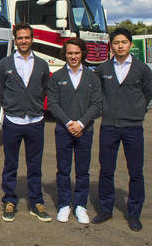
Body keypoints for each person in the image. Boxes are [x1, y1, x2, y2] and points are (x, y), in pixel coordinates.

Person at [93, 28, 152, 231]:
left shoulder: (142, 69)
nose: (120, 46)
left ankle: (134, 214)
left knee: (136, 172)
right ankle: (105, 210)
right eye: (116, 42)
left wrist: (136, 112)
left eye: (124, 42)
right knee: (106, 171)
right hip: (109, 126)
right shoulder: (103, 69)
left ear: (130, 44)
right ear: (111, 45)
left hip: (133, 127)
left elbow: (149, 96)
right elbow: (97, 95)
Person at [0, 22, 51, 223]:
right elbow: (0, 91)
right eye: (20, 38)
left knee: (35, 165)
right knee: (11, 164)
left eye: (27, 37)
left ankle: (36, 203)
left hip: (35, 122)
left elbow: (45, 89)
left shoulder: (43, 65)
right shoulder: (5, 64)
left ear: (32, 39)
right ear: (15, 40)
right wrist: (11, 107)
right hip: (13, 121)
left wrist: (34, 105)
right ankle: (9, 201)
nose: (24, 41)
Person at [47, 38, 102, 224]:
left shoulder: (92, 77)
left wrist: (81, 123)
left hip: (85, 131)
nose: (73, 56)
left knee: (82, 170)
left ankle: (80, 205)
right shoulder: (56, 77)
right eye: (70, 53)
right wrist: (69, 122)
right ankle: (64, 205)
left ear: (82, 54)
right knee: (63, 170)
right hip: (63, 130)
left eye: (77, 53)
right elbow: (53, 104)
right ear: (65, 54)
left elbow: (96, 104)